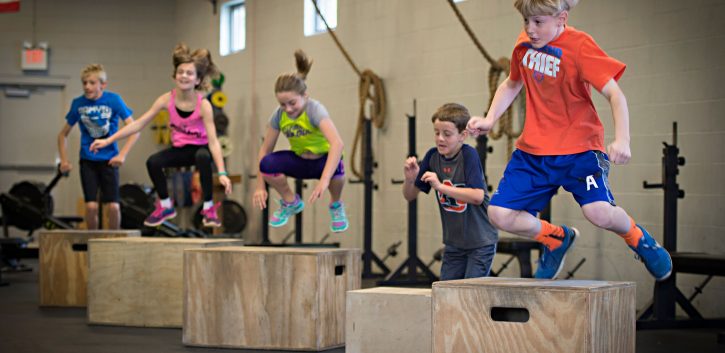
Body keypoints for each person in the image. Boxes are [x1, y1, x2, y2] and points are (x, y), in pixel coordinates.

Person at [467, 0, 672, 280]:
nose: (530, 29)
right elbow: (512, 82)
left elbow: (615, 95)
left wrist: (623, 139)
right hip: (534, 151)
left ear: (561, 18)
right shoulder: (524, 43)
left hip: (580, 149)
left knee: (599, 213)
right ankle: (556, 238)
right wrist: (490, 119)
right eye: (525, 22)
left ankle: (638, 238)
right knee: (499, 214)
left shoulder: (580, 46)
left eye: (538, 22)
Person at [90, 43, 231, 228]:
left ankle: (208, 208)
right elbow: (139, 123)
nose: (184, 76)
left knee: (203, 156)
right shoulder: (166, 100)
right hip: (180, 150)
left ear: (197, 80)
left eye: (189, 73)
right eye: (181, 72)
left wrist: (222, 173)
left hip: (200, 149)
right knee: (153, 161)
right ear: (175, 76)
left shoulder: (203, 105)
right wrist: (108, 140)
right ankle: (165, 206)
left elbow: (213, 142)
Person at [252, 50, 348, 233]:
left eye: (292, 103)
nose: (287, 109)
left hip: (322, 162)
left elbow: (337, 144)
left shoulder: (314, 110)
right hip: (299, 161)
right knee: (267, 164)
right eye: (282, 104)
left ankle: (336, 204)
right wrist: (260, 186)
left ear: (305, 96)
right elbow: (265, 150)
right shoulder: (279, 116)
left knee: (337, 164)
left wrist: (324, 181)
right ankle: (290, 201)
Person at [403, 103, 498, 280]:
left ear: (462, 135)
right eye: (436, 133)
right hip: (454, 243)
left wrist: (440, 187)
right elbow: (410, 196)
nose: (440, 139)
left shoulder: (468, 155)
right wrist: (410, 179)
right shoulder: (432, 156)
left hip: (480, 242)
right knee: (447, 293)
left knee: (470, 293)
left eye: (447, 134)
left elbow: (478, 196)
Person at [58, 64, 139, 230]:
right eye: (85, 83)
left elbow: (135, 130)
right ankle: (92, 241)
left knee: (114, 207)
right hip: (88, 161)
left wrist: (122, 155)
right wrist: (64, 161)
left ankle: (114, 240)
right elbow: (62, 135)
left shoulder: (113, 100)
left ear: (103, 84)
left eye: (92, 83)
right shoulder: (78, 104)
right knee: (91, 207)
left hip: (109, 161)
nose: (87, 86)